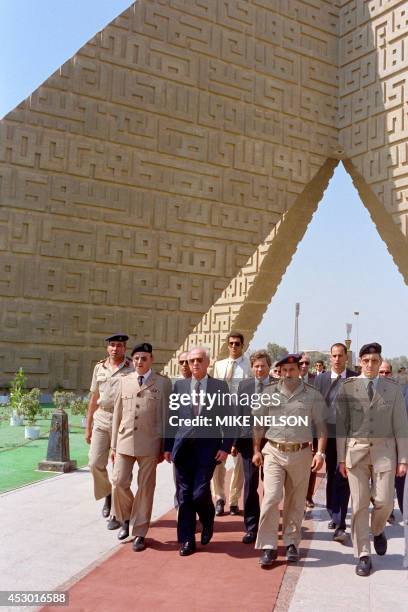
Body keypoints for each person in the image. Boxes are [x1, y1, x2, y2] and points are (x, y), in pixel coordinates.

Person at [336, 343, 408, 576]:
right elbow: (341, 427)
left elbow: (400, 426)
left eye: (375, 361)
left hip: (385, 453)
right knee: (358, 505)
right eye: (366, 360)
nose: (370, 365)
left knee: (385, 502)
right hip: (355, 454)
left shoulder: (392, 389)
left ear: (380, 362)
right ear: (360, 362)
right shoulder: (348, 388)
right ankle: (363, 555)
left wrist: (403, 459)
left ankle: (377, 530)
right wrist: (339, 459)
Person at [253, 354, 327, 567]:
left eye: (292, 370)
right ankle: (268, 546)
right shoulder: (268, 394)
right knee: (271, 497)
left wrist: (320, 453)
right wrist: (257, 450)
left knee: (296, 501)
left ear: (299, 370)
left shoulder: (312, 395)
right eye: (284, 370)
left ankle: (292, 543)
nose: (288, 374)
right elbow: (258, 424)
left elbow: (322, 427)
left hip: (301, 453)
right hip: (274, 452)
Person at [164, 346, 234, 556]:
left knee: (199, 493)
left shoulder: (219, 387)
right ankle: (187, 541)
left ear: (207, 362)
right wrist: (167, 447)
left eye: (199, 360)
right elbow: (171, 418)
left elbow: (229, 419)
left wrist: (225, 447)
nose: (194, 364)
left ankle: (207, 517)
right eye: (191, 360)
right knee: (184, 496)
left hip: (207, 450)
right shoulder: (180, 386)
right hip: (182, 450)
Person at [111, 342, 171, 552]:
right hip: (124, 441)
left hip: (150, 444)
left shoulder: (162, 383)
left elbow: (167, 416)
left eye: (143, 358)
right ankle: (126, 517)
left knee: (146, 489)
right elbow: (117, 413)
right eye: (136, 358)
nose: (139, 362)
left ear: (151, 360)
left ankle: (139, 532)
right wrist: (113, 446)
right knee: (118, 482)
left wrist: (165, 445)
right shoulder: (124, 381)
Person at [86, 333, 133, 529]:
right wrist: (88, 427)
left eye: (119, 346)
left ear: (125, 348)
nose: (115, 349)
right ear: (107, 348)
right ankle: (107, 495)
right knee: (95, 462)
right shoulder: (99, 367)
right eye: (112, 345)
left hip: (122, 420)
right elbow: (93, 397)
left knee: (119, 469)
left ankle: (117, 507)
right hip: (102, 418)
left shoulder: (131, 368)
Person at [314, 343, 356, 543]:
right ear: (330, 358)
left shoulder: (355, 378)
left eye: (340, 355)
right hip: (328, 434)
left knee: (344, 474)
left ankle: (340, 523)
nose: (337, 359)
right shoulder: (320, 379)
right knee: (332, 473)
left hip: (348, 434)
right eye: (334, 356)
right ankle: (333, 511)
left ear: (346, 357)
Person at [235, 350, 274, 543]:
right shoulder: (244, 386)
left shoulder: (279, 386)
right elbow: (238, 414)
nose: (259, 369)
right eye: (256, 366)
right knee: (250, 486)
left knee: (271, 487)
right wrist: (234, 442)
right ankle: (251, 527)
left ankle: (268, 524)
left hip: (272, 445)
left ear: (269, 367)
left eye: (263, 366)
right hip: (248, 444)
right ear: (252, 368)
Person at [212, 332, 251, 516]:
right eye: (231, 343)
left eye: (237, 344)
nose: (234, 346)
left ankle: (234, 500)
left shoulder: (249, 366)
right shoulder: (219, 366)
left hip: (241, 417)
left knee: (239, 464)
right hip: (221, 417)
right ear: (227, 346)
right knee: (218, 460)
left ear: (242, 346)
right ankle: (219, 497)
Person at [379, 361, 406, 524]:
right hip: (376, 449)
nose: (383, 376)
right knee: (380, 486)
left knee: (400, 483)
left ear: (392, 374)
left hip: (398, 446)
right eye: (381, 372)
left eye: (386, 373)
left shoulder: (401, 392)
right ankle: (383, 513)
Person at [299, 353, 318, 508]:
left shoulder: (315, 381)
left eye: (307, 363)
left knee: (311, 465)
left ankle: (308, 496)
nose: (304, 365)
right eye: (301, 362)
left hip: (311, 430)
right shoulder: (287, 379)